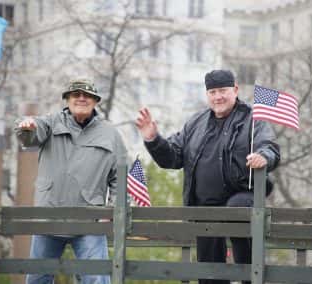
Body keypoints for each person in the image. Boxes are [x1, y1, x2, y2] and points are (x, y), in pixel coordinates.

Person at [136, 70, 280, 284]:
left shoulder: (253, 118)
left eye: (223, 90)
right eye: (212, 92)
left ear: (235, 90)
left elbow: (270, 147)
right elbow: (172, 158)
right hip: (206, 205)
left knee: (235, 210)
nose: (218, 97)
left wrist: (263, 157)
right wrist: (153, 139)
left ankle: (251, 277)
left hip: (243, 195)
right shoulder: (196, 123)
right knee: (209, 268)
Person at [15, 79, 126, 284]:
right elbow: (30, 136)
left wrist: (110, 212)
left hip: (89, 221)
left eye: (87, 96)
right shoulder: (51, 122)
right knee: (37, 279)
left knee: (97, 279)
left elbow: (120, 178)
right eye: (76, 95)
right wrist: (26, 128)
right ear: (67, 100)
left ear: (95, 102)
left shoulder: (111, 134)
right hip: (48, 217)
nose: (81, 98)